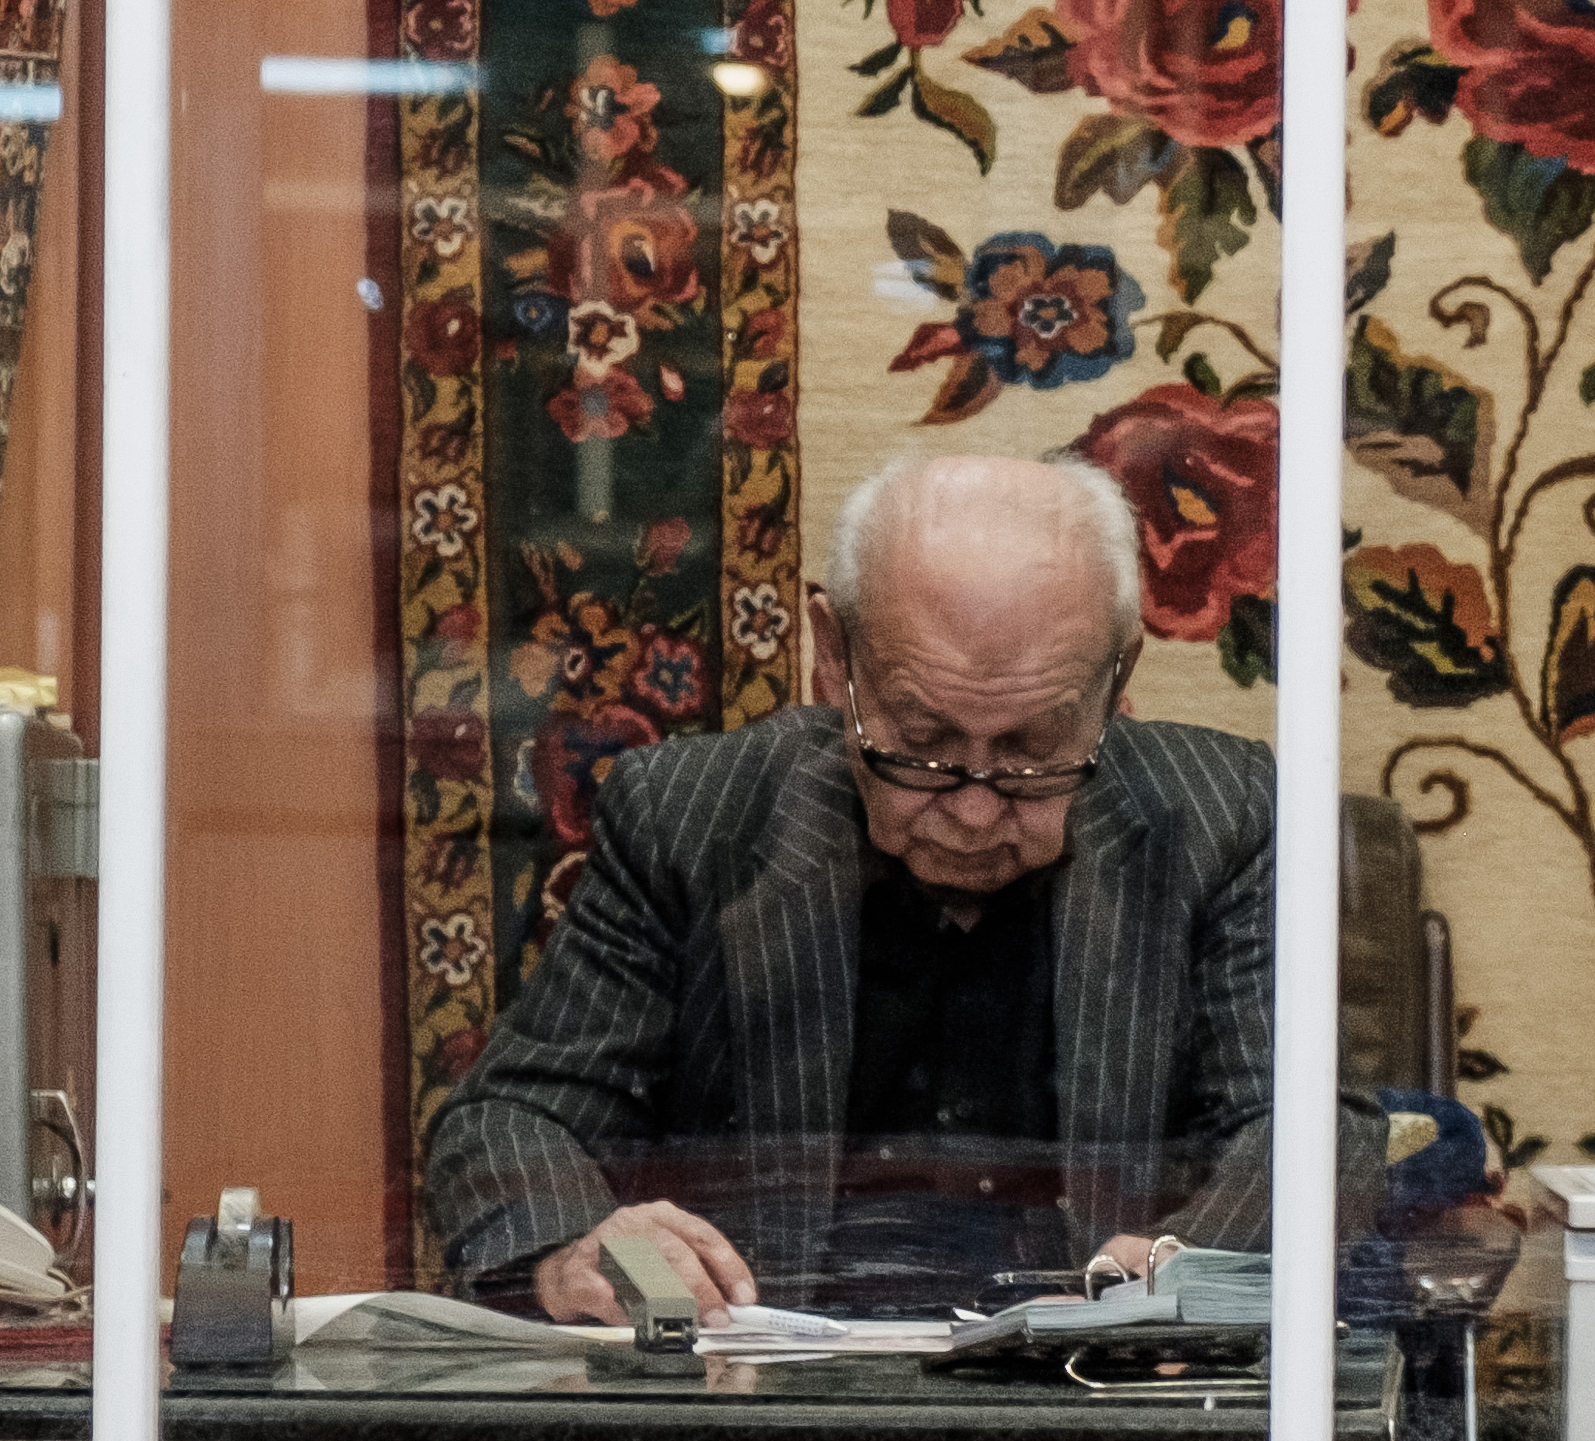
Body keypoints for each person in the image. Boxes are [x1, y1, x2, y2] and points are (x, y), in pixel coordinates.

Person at [421, 452, 1276, 1325]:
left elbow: (1305, 1131)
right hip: (773, 1404)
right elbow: (509, 1117)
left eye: (1032, 750)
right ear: (834, 658)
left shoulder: (1219, 816)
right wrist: (588, 1247)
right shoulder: (688, 819)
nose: (976, 812)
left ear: (1116, 680)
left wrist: (1181, 1265)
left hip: (1095, 1397)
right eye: (922, 744)